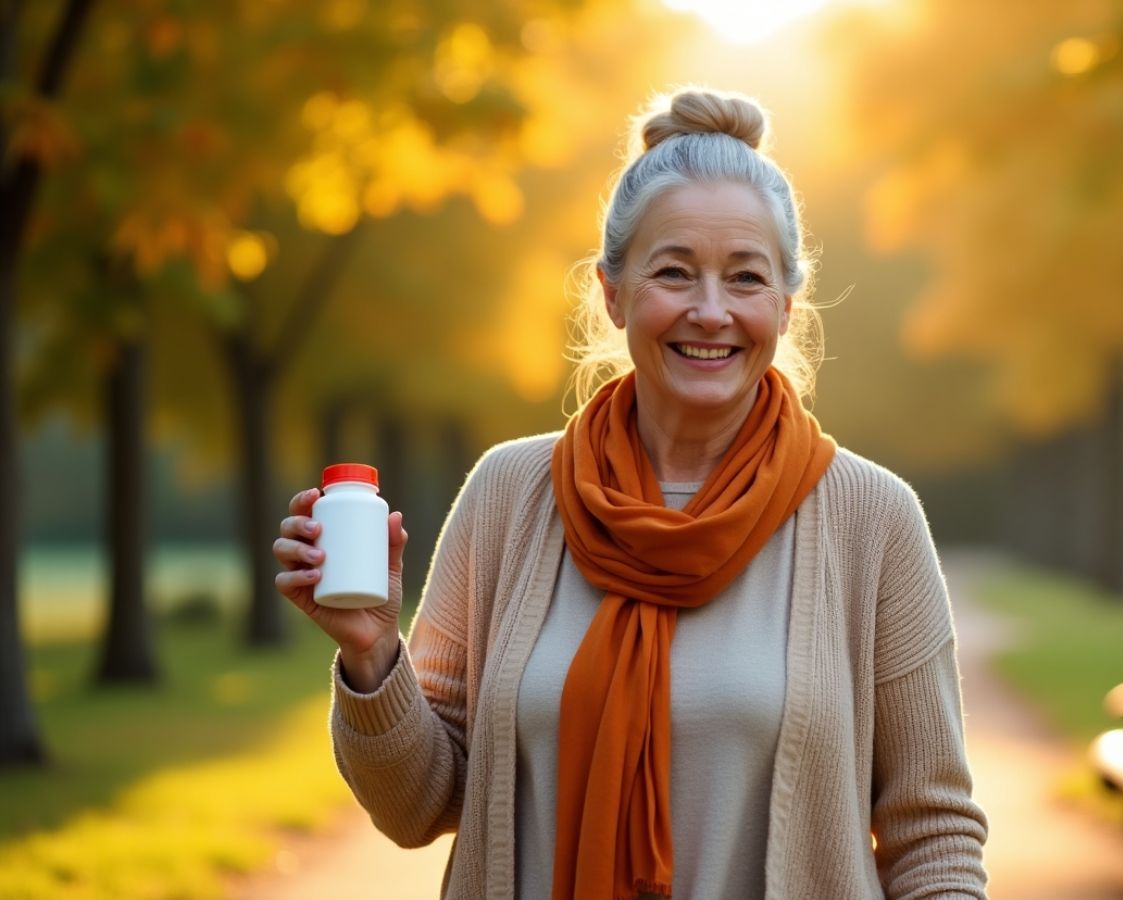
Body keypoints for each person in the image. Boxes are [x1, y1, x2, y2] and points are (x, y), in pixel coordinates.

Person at [273, 88, 988, 899]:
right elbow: (419, 805)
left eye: (745, 277)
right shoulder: (511, 496)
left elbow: (933, 831)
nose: (710, 311)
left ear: (785, 307)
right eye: (674, 272)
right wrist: (373, 657)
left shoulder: (871, 519)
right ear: (613, 293)